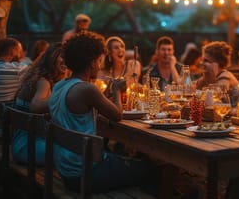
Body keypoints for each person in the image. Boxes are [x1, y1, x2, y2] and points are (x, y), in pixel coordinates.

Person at [48, 32, 159, 194]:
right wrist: (115, 91)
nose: (100, 65)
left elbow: (79, 116)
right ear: (93, 63)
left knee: (131, 158)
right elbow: (117, 115)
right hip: (85, 174)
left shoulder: (59, 86)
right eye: (100, 61)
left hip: (67, 170)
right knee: (151, 168)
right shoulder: (86, 89)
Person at [12, 45, 67, 165]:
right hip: (29, 148)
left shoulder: (38, 78)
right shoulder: (44, 82)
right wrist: (64, 98)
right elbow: (35, 106)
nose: (66, 61)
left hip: (20, 145)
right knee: (78, 154)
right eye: (62, 57)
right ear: (51, 59)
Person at [196, 41, 239, 106]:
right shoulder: (210, 76)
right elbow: (194, 92)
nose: (201, 63)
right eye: (202, 60)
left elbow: (214, 103)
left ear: (217, 63)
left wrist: (210, 83)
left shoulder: (225, 77)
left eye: (206, 61)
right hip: (227, 114)